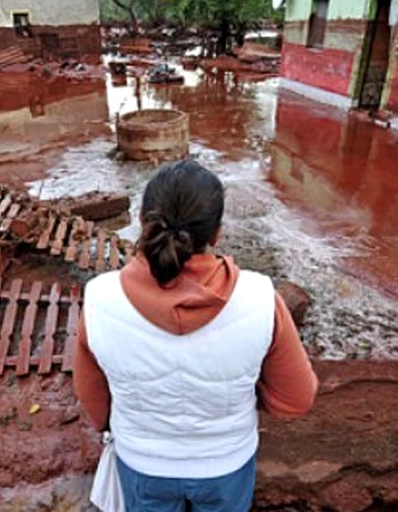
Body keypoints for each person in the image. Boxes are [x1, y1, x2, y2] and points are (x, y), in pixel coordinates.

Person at [74, 159, 319, 512]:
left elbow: (93, 400)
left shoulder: (99, 297)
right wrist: (244, 390)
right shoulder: (261, 297)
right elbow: (297, 399)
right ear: (217, 233)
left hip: (142, 462)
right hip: (226, 463)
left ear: (143, 223)